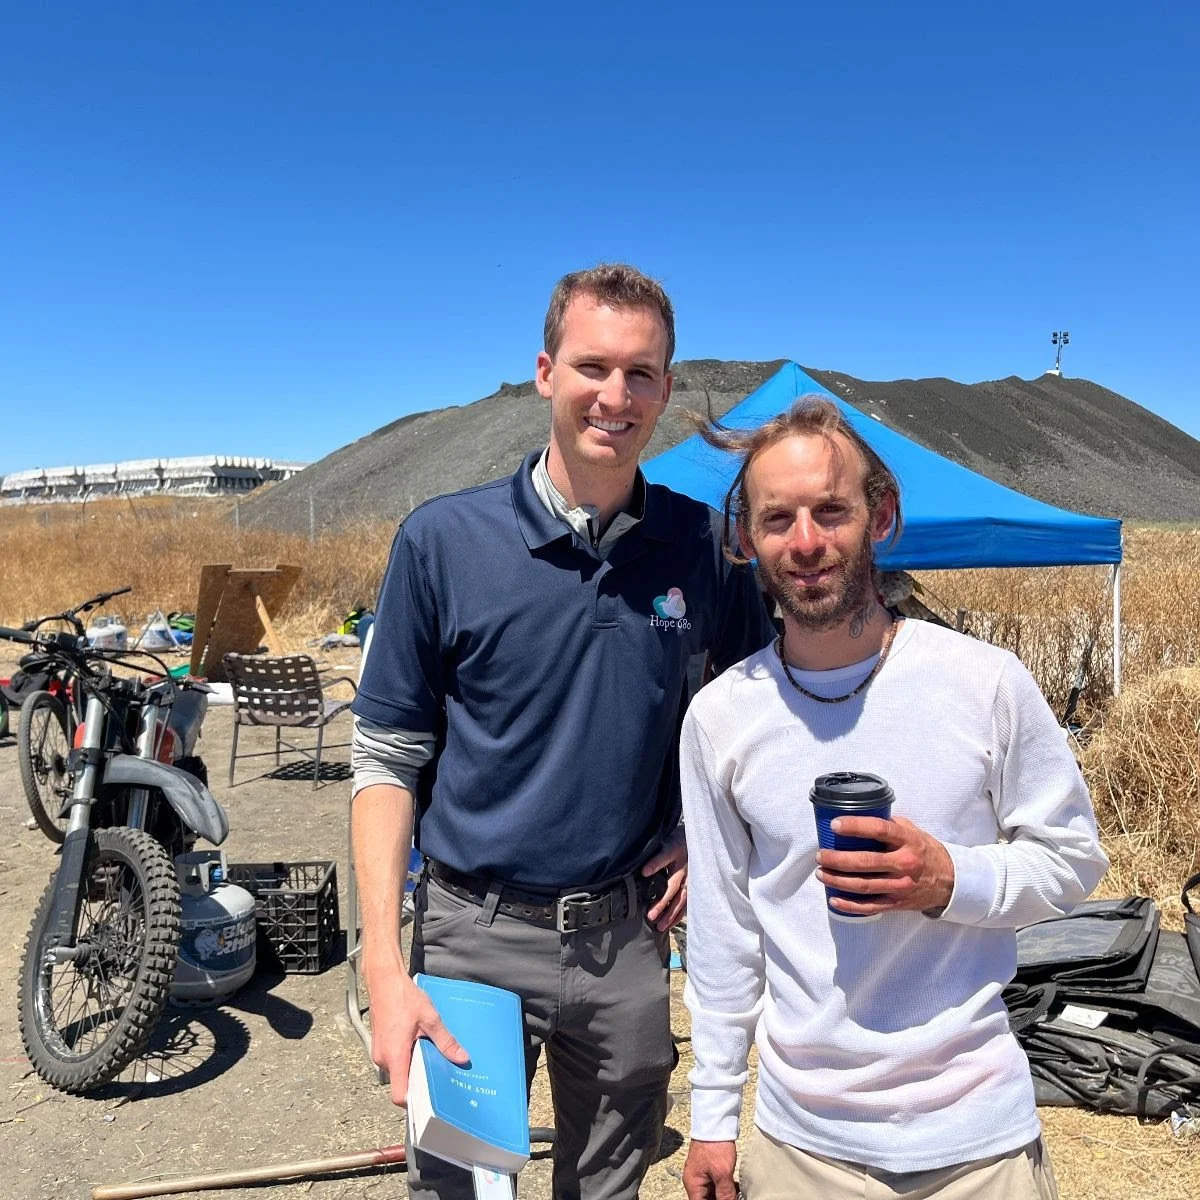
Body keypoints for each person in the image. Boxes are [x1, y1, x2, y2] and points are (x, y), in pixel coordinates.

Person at [351, 263, 775, 1200]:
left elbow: (759, 712)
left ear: (665, 388)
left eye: (640, 374)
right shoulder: (443, 543)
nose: (615, 396)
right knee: (463, 1188)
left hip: (627, 941)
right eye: (593, 367)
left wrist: (705, 834)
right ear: (546, 373)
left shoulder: (705, 548)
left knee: (608, 1188)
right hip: (473, 939)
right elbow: (385, 758)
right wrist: (382, 961)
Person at [678, 395, 1108, 1200]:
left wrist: (951, 879)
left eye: (831, 511)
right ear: (745, 539)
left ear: (880, 518)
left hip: (978, 1145)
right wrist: (712, 1116)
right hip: (802, 1148)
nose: (806, 542)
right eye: (778, 519)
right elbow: (724, 936)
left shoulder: (984, 683)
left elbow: (1074, 861)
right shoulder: (720, 717)